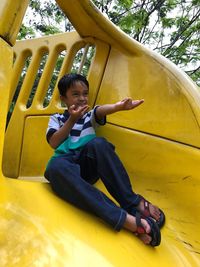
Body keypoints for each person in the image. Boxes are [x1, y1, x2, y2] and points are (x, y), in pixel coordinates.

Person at [44, 73, 165, 247]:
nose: (82, 98)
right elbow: (54, 142)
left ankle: (132, 203)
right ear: (64, 98)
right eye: (75, 94)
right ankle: (127, 220)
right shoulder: (57, 119)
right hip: (68, 173)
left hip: (87, 168)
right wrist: (71, 119)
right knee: (55, 167)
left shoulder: (89, 116)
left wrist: (119, 106)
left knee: (99, 144)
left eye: (85, 94)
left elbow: (102, 110)